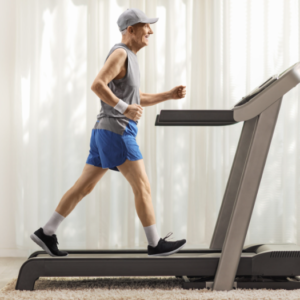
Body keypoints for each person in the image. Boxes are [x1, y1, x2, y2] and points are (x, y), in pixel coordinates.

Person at [30, 8, 187, 257]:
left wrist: (168, 95)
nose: (151, 31)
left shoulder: (130, 57)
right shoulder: (120, 53)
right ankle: (155, 244)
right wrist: (124, 109)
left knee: (84, 187)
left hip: (104, 130)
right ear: (131, 29)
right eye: (146, 26)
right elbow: (97, 84)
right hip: (117, 131)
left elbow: (135, 97)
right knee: (142, 186)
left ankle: (46, 231)